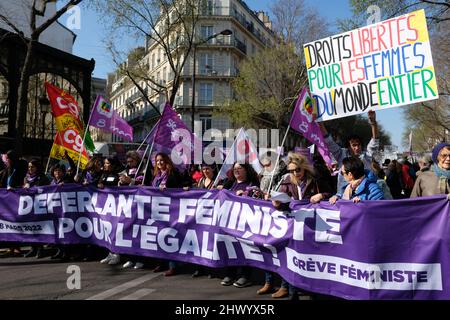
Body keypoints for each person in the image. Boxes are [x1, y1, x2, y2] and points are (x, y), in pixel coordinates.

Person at [259, 152, 333, 300]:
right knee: (291, 257)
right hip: (292, 224)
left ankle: (312, 290)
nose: (294, 173)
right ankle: (290, 291)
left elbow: (331, 193)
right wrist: (277, 203)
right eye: (291, 170)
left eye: (297, 170)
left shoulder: (316, 180)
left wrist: (322, 196)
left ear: (304, 168)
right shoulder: (287, 181)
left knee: (309, 258)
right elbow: (281, 203)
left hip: (311, 225)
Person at [217, 162, 261, 288]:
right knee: (231, 247)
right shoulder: (230, 182)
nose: (236, 170)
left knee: (244, 249)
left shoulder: (252, 184)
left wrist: (246, 195)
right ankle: (230, 274)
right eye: (235, 168)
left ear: (246, 170)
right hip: (230, 222)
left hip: (245, 223)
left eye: (239, 168)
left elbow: (257, 200)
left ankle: (245, 276)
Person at [318, 110, 379, 194]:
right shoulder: (341, 154)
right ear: (348, 146)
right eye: (354, 145)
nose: (357, 148)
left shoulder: (366, 156)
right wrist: (320, 123)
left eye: (358, 145)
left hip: (366, 195)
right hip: (345, 196)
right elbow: (329, 141)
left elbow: (374, 141)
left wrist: (373, 123)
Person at [150, 152, 184, 276]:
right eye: (157, 161)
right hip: (157, 210)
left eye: (161, 160)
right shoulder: (156, 175)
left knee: (169, 237)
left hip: (170, 210)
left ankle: (173, 265)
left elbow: (179, 188)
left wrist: (168, 190)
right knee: (158, 236)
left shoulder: (172, 174)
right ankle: (161, 262)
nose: (159, 163)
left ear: (167, 161)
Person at [0, 150, 28, 257]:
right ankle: (11, 247)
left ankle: (17, 247)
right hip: (7, 200)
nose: (7, 161)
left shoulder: (20, 167)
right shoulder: (8, 169)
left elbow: (23, 181)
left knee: (16, 223)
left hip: (17, 198)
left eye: (8, 159)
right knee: (9, 224)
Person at [99, 156, 124, 266]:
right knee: (107, 229)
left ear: (113, 164)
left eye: (108, 163)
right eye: (104, 163)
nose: (105, 165)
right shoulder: (103, 174)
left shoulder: (118, 174)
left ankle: (117, 254)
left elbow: (116, 185)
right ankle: (110, 252)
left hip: (116, 206)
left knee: (115, 230)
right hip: (106, 207)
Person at [23, 158, 50, 258]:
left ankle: (40, 249)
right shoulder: (26, 178)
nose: (30, 169)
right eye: (29, 167)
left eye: (32, 167)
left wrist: (32, 187)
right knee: (31, 227)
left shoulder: (42, 178)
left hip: (40, 206)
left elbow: (47, 190)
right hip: (29, 207)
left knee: (38, 227)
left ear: (37, 167)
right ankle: (33, 248)